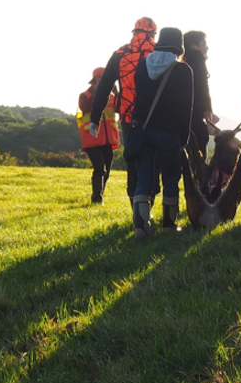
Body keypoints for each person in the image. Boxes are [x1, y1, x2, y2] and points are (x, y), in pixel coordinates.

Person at [129, 27, 195, 239]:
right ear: (179, 45)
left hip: (144, 129)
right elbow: (187, 108)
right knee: (170, 177)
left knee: (145, 176)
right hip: (170, 132)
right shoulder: (183, 70)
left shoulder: (141, 65)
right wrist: (184, 137)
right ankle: (169, 224)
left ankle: (141, 226)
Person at [90, 18, 158, 202]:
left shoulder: (120, 53)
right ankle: (149, 203)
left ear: (134, 32)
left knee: (133, 158)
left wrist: (95, 118)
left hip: (129, 117)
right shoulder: (159, 52)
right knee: (153, 160)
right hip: (156, 117)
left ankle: (136, 210)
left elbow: (104, 86)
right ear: (153, 34)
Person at [77, 66, 120, 203]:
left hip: (108, 140)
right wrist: (98, 94)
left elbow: (121, 108)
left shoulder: (113, 97)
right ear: (94, 80)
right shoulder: (85, 96)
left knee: (106, 170)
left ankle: (99, 194)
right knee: (99, 167)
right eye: (101, 78)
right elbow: (85, 108)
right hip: (92, 139)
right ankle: (96, 198)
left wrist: (117, 93)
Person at [182, 30, 219, 155]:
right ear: (194, 46)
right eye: (204, 43)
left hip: (183, 118)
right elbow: (203, 89)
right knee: (199, 153)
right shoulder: (198, 62)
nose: (207, 47)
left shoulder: (182, 63)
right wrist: (208, 113)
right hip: (196, 116)